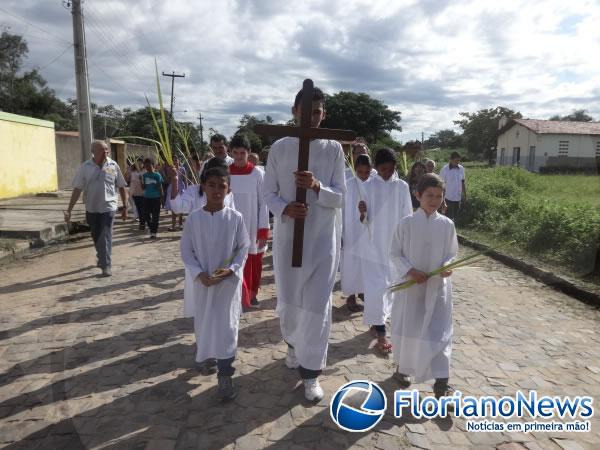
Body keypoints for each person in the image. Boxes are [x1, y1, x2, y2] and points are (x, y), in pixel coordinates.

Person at [263, 85, 346, 402]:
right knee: (290, 300)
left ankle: (312, 373)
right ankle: (294, 344)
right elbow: (267, 192)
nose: (312, 117)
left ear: (322, 115)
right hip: (288, 238)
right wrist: (285, 207)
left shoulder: (333, 149)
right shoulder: (280, 147)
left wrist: (316, 186)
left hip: (322, 239)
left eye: (317, 112)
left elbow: (341, 197)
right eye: (306, 111)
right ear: (294, 110)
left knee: (316, 305)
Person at [180, 166, 250, 401]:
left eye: (222, 185)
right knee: (206, 323)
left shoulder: (236, 218)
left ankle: (226, 374)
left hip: (227, 284)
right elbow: (186, 251)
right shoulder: (194, 219)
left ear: (228, 189)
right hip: (203, 283)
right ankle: (208, 356)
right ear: (203, 186)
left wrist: (231, 270)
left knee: (227, 327)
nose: (217, 190)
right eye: (212, 185)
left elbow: (243, 248)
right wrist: (199, 274)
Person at [390, 173, 458, 400]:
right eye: (429, 195)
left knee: (440, 333)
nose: (434, 200)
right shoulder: (406, 223)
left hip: (438, 289)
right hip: (412, 290)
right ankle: (403, 369)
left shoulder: (447, 224)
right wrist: (410, 271)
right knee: (409, 329)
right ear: (417, 195)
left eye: (439, 196)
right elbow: (395, 253)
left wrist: (447, 266)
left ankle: (441, 383)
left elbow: (451, 253)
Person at [358, 148, 412, 355]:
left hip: (395, 247)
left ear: (395, 167)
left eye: (390, 169)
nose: (387, 173)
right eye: (382, 169)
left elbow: (407, 216)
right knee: (375, 290)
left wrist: (407, 244)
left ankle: (378, 322)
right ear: (375, 168)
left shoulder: (402, 186)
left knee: (392, 289)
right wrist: (361, 213)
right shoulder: (368, 186)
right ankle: (382, 334)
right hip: (373, 247)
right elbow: (364, 220)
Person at [169, 157, 236, 319]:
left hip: (222, 249)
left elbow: (233, 221)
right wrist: (175, 180)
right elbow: (177, 207)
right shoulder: (193, 191)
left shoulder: (228, 194)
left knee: (221, 293)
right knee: (201, 292)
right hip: (199, 250)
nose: (217, 188)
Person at [64, 140, 127, 277]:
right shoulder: (85, 167)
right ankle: (101, 257)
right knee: (96, 236)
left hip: (109, 207)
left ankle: (106, 265)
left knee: (105, 235)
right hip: (92, 208)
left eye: (107, 150)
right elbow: (77, 189)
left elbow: (121, 186)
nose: (106, 152)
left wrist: (125, 206)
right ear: (94, 152)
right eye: (102, 150)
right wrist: (69, 209)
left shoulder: (113, 165)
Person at [229, 134, 270, 311]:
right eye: (236, 153)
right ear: (231, 152)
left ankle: (252, 294)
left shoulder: (258, 173)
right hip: (230, 225)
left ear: (249, 152)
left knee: (253, 260)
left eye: (242, 153)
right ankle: (235, 294)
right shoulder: (225, 172)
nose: (239, 156)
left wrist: (263, 230)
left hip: (252, 224)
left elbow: (264, 202)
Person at [341, 154, 372, 313]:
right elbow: (341, 210)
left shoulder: (375, 184)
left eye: (367, 172)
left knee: (367, 263)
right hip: (351, 231)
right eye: (360, 172)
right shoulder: (348, 185)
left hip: (369, 231)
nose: (363, 176)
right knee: (352, 264)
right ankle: (351, 295)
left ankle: (363, 291)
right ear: (355, 170)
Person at [439, 152, 466, 222]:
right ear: (451, 160)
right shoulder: (444, 169)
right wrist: (442, 198)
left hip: (458, 198)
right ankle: (445, 231)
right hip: (448, 198)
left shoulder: (461, 168)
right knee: (447, 218)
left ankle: (452, 231)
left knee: (455, 217)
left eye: (459, 160)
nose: (458, 162)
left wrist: (464, 194)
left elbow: (462, 182)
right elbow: (440, 184)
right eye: (456, 160)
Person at [164, 156, 187, 231]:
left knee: (180, 206)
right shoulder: (170, 169)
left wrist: (186, 189)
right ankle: (173, 225)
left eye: (176, 160)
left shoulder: (182, 169)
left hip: (181, 188)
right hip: (172, 188)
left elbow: (185, 179)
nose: (175, 162)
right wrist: (170, 173)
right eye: (174, 160)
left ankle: (180, 224)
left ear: (178, 161)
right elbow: (167, 180)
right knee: (173, 207)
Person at [142, 158, 163, 239]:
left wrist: (162, 198)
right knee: (146, 215)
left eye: (148, 165)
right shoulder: (144, 175)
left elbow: (160, 187)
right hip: (147, 197)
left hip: (156, 198)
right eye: (145, 166)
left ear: (152, 165)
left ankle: (153, 232)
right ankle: (151, 227)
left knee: (155, 216)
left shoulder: (157, 175)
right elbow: (143, 188)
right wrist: (141, 181)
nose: (147, 167)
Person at [125, 157, 144, 223]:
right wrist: (128, 171)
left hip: (142, 191)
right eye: (138, 163)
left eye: (141, 163)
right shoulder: (132, 171)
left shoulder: (144, 171)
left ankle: (141, 216)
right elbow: (127, 179)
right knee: (133, 203)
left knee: (141, 205)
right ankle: (136, 216)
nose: (139, 164)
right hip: (133, 190)